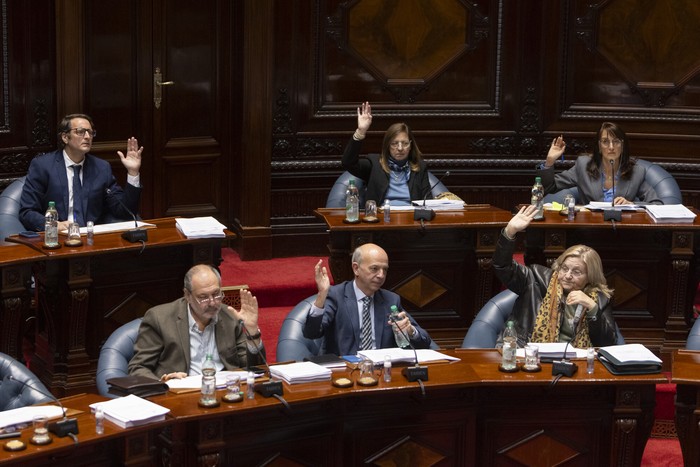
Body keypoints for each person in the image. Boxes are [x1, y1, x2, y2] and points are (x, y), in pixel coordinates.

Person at [493, 205, 618, 348]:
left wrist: (592, 307)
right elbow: (502, 267)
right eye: (564, 268)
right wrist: (510, 232)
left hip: (573, 360)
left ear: (590, 277)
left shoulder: (599, 299)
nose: (568, 275)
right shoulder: (535, 279)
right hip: (526, 350)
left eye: (577, 272)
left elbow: (608, 343)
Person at [128, 264, 264, 382]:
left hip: (225, 391)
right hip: (181, 395)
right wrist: (163, 383)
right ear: (187, 295)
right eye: (203, 297)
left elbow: (253, 368)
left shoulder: (229, 315)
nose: (212, 303)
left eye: (216, 294)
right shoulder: (159, 318)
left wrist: (252, 331)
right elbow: (138, 368)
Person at [19, 113, 144, 232]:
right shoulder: (43, 166)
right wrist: (52, 225)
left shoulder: (101, 168)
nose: (87, 136)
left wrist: (133, 173)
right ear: (65, 137)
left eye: (90, 132)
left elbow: (124, 211)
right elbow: (27, 212)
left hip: (92, 237)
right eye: (80, 132)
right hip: (58, 236)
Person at [303, 243, 433, 356]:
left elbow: (425, 341)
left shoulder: (391, 300)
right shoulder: (337, 295)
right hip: (345, 371)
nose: (381, 275)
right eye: (374, 269)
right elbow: (311, 333)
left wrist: (410, 331)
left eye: (385, 270)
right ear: (356, 268)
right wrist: (322, 295)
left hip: (381, 371)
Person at [537, 122, 662, 205]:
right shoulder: (583, 166)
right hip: (589, 228)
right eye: (605, 142)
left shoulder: (636, 171)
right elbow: (548, 188)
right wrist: (549, 162)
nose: (611, 147)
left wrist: (632, 205)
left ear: (622, 146)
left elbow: (656, 203)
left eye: (616, 142)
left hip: (623, 229)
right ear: (599, 146)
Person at [342, 101, 432, 206]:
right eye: (394, 143)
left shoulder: (420, 167)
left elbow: (428, 201)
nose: (400, 148)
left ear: (411, 145)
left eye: (405, 143)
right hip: (381, 219)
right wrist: (360, 131)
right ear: (387, 145)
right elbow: (348, 163)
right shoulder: (375, 165)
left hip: (411, 219)